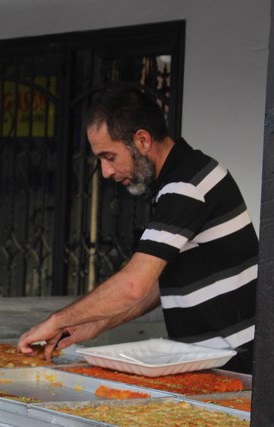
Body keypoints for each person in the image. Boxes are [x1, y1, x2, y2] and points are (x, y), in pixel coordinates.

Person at [17, 85, 258, 374]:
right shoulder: (180, 180)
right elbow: (156, 285)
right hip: (216, 362)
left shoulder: (188, 186)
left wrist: (55, 321)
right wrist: (92, 325)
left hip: (239, 366)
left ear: (142, 140)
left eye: (109, 157)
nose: (105, 172)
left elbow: (134, 285)